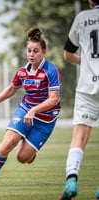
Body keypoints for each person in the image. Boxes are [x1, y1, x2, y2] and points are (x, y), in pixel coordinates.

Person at [0, 27, 61, 187]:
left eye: (36, 51)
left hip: (46, 119)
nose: (31, 54)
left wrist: (35, 110)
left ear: (44, 52)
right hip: (25, 110)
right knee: (9, 142)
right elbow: (11, 89)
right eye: (29, 51)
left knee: (22, 158)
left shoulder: (51, 71)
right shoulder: (22, 72)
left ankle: (28, 150)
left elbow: (54, 99)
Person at [59, 1, 99, 199]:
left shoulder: (83, 18)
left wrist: (88, 62)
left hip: (87, 87)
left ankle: (71, 180)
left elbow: (68, 54)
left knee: (79, 136)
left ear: (91, 1)